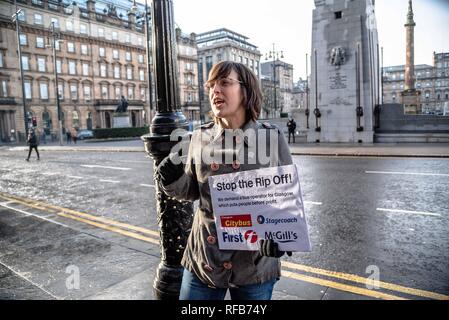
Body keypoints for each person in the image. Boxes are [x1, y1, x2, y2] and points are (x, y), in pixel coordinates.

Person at [157, 61, 293, 300]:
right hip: (206, 259)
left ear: (246, 91)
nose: (214, 91)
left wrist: (279, 236)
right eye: (211, 85)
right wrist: (171, 178)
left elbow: (286, 200)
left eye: (225, 83)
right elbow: (190, 191)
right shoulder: (199, 136)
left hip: (253, 265)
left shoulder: (271, 138)